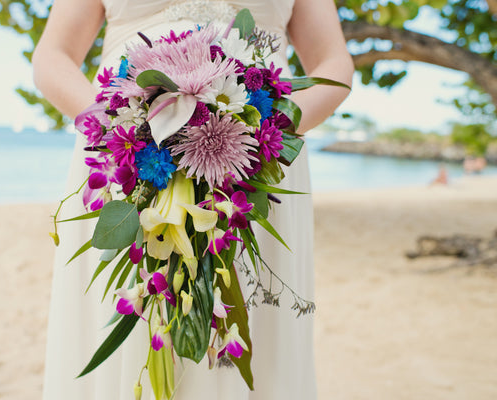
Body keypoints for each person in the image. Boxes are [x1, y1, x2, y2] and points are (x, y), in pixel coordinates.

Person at [33, 1, 353, 399]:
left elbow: (333, 61)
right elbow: (53, 55)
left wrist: (266, 130)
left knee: (253, 329)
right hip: (126, 152)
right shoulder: (123, 131)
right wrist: (122, 123)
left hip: (258, 154)